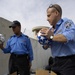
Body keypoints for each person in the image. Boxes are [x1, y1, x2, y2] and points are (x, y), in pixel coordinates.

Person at [40, 4, 75, 75]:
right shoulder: (51, 30)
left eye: (49, 15)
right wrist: (44, 41)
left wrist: (51, 37)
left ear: (56, 13)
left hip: (68, 62)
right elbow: (45, 47)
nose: (47, 19)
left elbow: (69, 36)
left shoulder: (66, 22)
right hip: (55, 62)